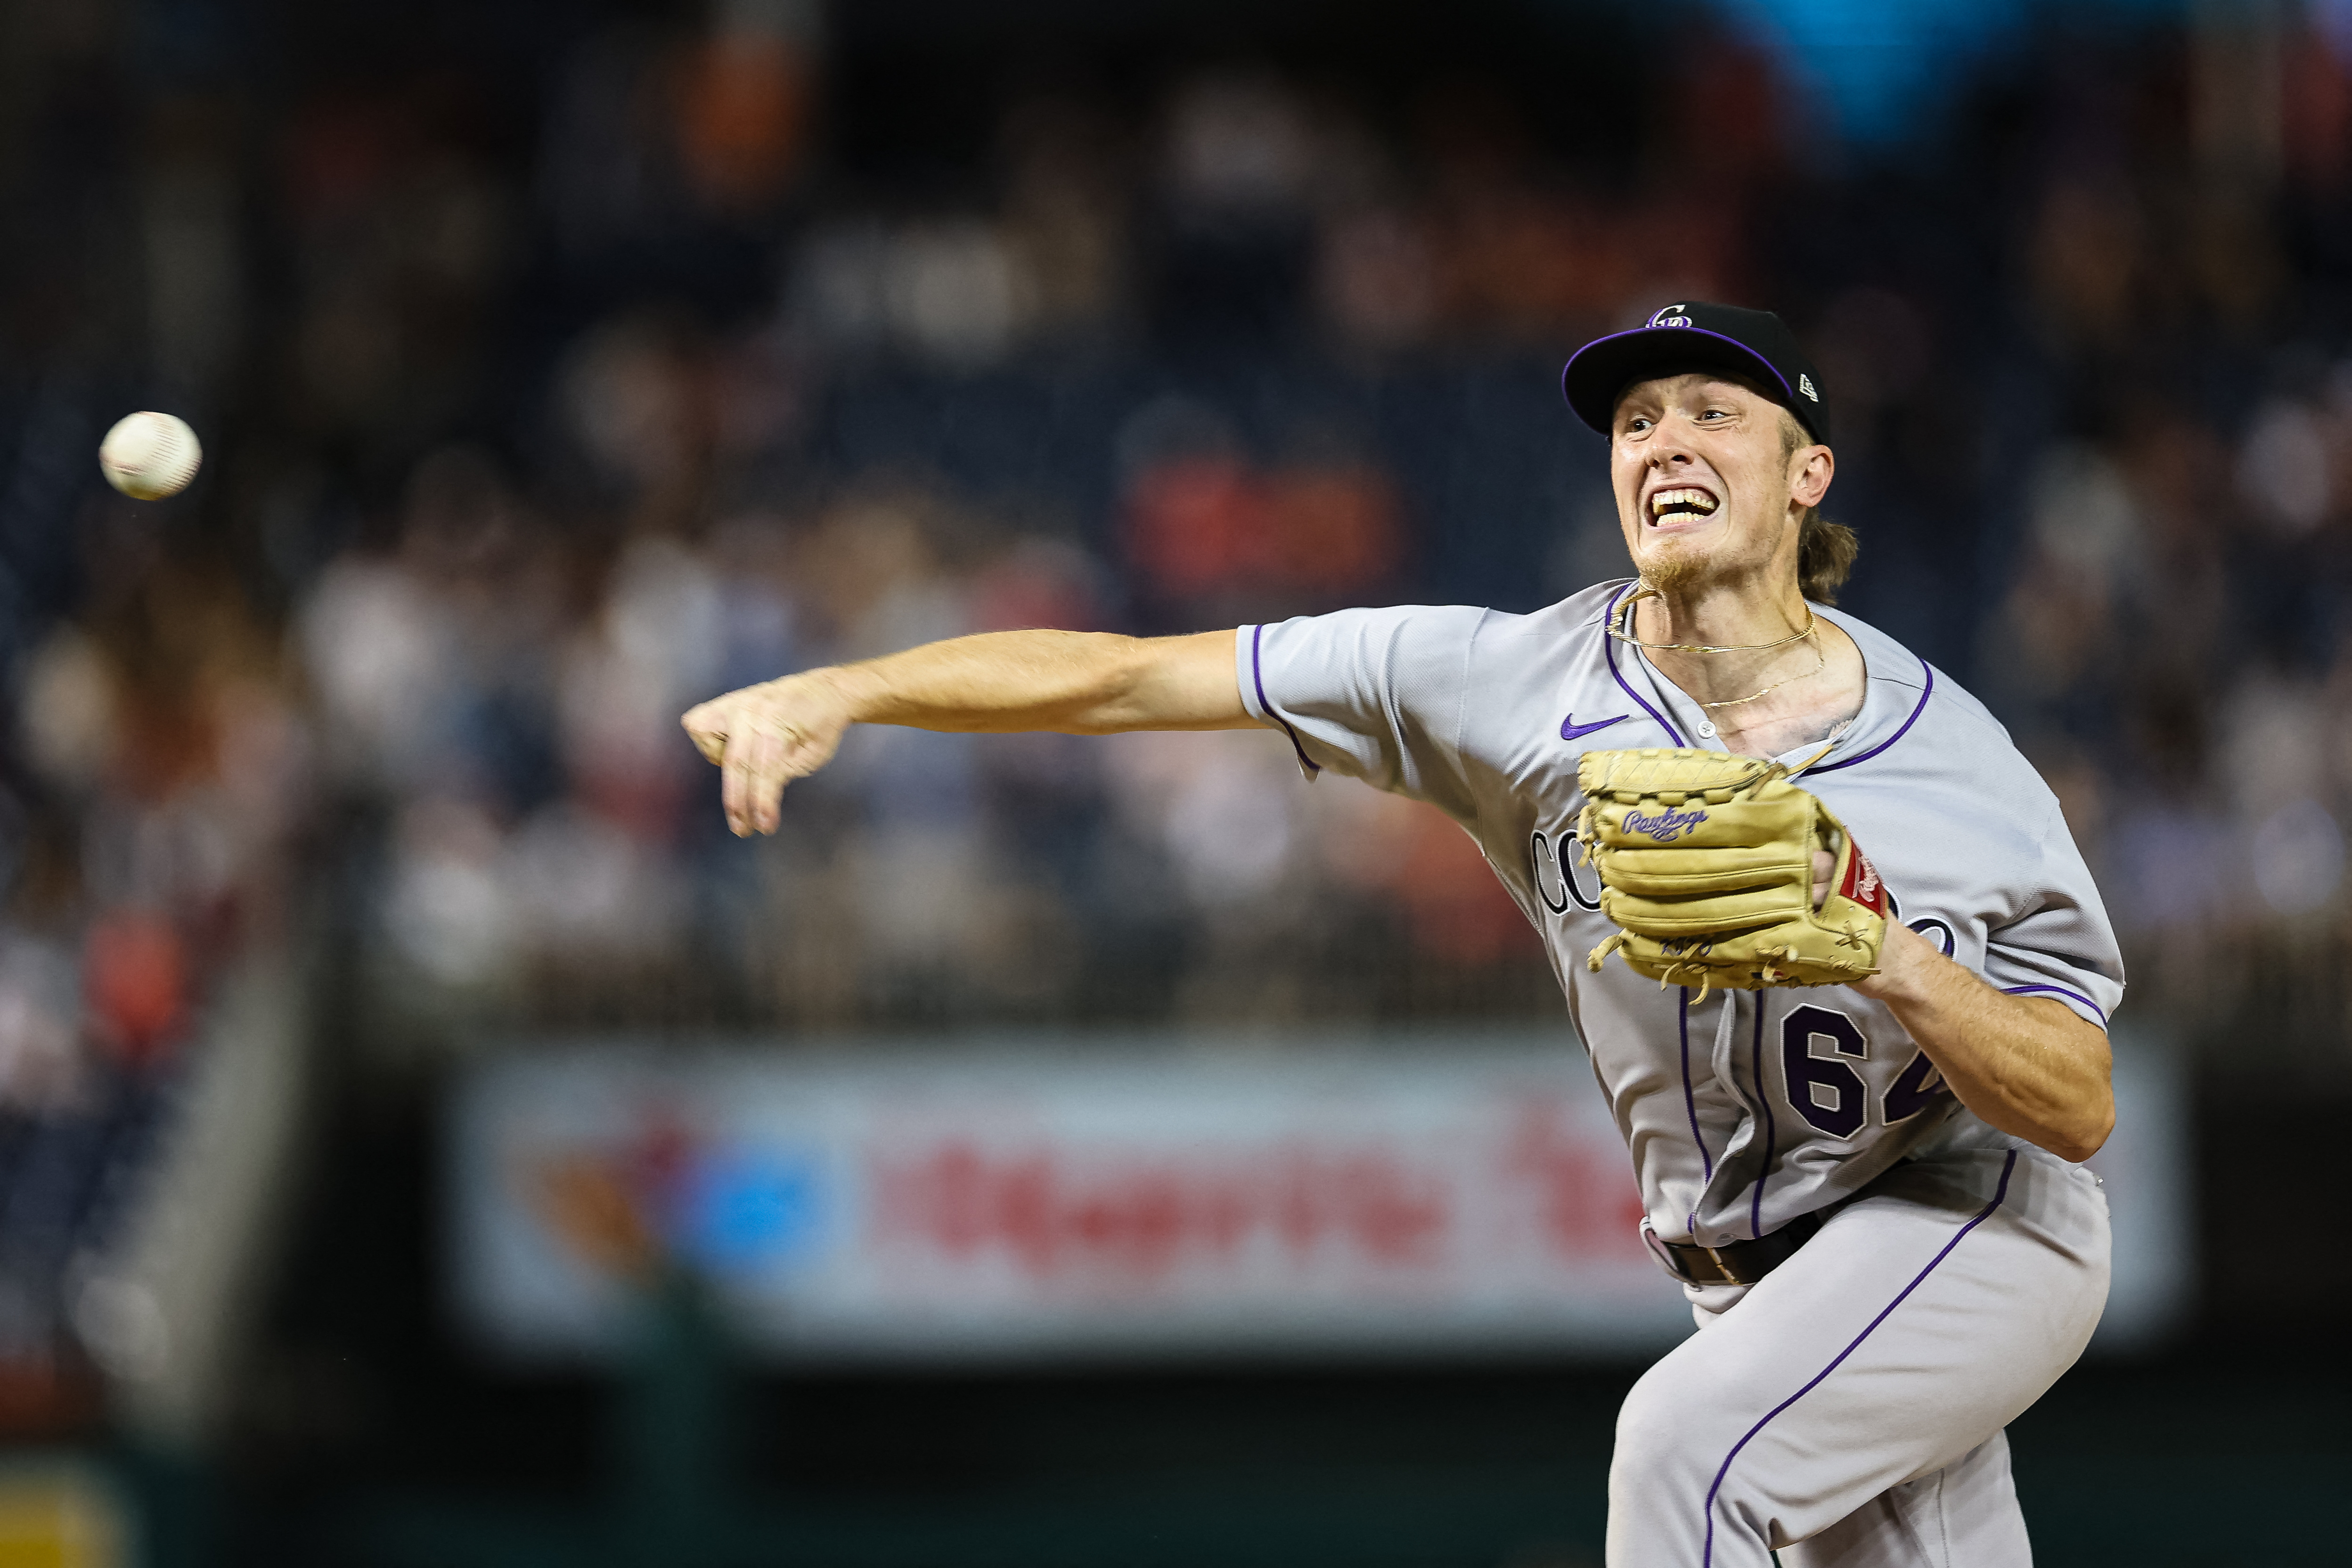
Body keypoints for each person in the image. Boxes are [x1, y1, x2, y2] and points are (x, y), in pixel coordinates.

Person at [682, 302, 2119, 1567]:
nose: (1664, 437)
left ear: (1806, 475)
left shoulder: (1954, 761)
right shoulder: (1499, 684)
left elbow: (2077, 1101)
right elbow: (1130, 680)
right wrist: (851, 689)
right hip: (1754, 1292)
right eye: (1635, 419)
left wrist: (1880, 950)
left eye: (1712, 412)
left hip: (1967, 1219)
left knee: (1687, 1455)